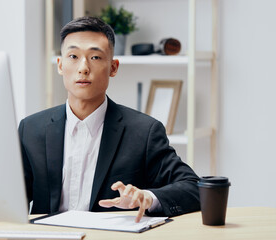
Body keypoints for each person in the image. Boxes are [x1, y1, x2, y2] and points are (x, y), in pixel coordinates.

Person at [18, 16, 200, 223]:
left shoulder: (143, 132)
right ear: (60, 65)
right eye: (73, 56)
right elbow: (9, 198)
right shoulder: (31, 129)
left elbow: (193, 186)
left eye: (95, 57)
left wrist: (147, 198)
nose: (83, 68)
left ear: (113, 67)